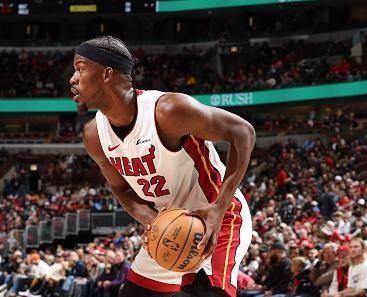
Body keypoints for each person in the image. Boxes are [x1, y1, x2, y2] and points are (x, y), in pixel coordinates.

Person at [70, 36, 255, 297]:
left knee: (204, 292)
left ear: (107, 73)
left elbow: (243, 132)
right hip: (172, 227)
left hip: (217, 217)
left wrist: (219, 207)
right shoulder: (94, 136)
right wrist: (154, 222)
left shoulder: (167, 111)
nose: (73, 79)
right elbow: (121, 189)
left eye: (80, 68)